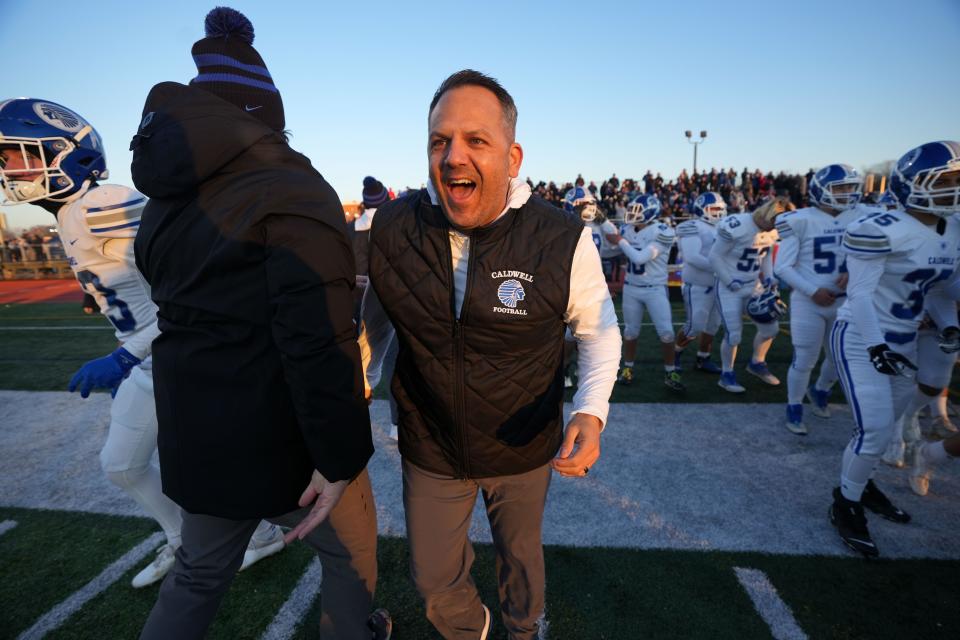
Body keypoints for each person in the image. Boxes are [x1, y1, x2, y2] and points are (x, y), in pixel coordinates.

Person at [129, 8, 386, 638]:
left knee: (197, 574)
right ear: (264, 115)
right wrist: (339, 452)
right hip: (285, 437)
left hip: (198, 431)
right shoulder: (290, 189)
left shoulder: (163, 203)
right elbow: (315, 340)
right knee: (348, 559)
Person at [360, 69, 620, 640]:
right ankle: (468, 628)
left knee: (521, 560)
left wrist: (590, 409)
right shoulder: (393, 227)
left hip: (520, 442)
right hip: (430, 438)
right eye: (439, 140)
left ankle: (523, 630)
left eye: (476, 140)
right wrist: (364, 369)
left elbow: (599, 331)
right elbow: (380, 310)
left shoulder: (561, 238)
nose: (454, 156)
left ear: (513, 155)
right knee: (432, 579)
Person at [0, 97, 285, 589]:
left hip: (177, 351)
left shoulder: (106, 206)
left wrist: (124, 354)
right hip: (150, 355)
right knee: (123, 465)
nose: (7, 168)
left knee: (211, 462)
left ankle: (257, 534)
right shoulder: (71, 213)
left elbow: (191, 293)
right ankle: (187, 539)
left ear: (65, 153)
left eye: (16, 154)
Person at [828, 140, 960, 558]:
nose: (955, 188)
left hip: (903, 339)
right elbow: (861, 296)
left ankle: (859, 486)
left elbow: (935, 289)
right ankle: (845, 504)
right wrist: (876, 346)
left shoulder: (952, 229)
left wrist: (951, 324)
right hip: (861, 336)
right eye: (948, 181)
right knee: (875, 429)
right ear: (915, 185)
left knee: (881, 428)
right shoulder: (880, 227)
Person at [773, 164, 865, 435]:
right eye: (841, 188)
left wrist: (854, 268)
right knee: (804, 358)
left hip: (845, 299)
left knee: (840, 357)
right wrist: (813, 291)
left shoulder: (862, 216)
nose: (848, 193)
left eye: (851, 187)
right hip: (807, 300)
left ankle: (821, 389)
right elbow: (783, 267)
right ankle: (794, 406)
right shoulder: (799, 219)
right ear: (821, 190)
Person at [708, 197, 791, 392]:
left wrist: (769, 276)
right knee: (734, 334)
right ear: (766, 215)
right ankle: (726, 374)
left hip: (754, 286)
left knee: (771, 328)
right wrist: (729, 280)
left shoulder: (771, 230)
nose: (773, 227)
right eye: (773, 222)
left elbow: (767, 254)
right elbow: (715, 256)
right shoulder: (736, 225)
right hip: (729, 286)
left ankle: (757, 363)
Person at [607, 193, 685, 392]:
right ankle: (628, 369)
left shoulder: (662, 231)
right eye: (631, 210)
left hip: (655, 289)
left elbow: (640, 257)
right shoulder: (627, 229)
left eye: (636, 211)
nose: (631, 215)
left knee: (667, 333)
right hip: (632, 288)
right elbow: (615, 250)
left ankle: (670, 371)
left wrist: (620, 241)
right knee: (631, 332)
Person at [673, 191, 727, 374]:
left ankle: (703, 358)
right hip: (697, 284)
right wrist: (721, 268)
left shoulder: (723, 227)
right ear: (701, 209)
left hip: (718, 285)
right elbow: (692, 257)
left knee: (713, 325)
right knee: (694, 326)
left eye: (720, 208)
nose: (717, 212)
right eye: (713, 208)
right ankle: (675, 354)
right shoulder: (693, 226)